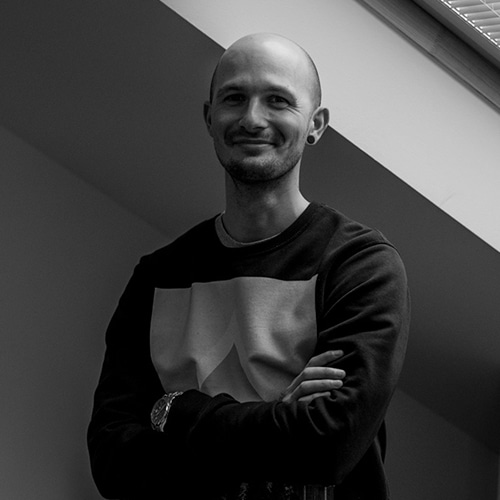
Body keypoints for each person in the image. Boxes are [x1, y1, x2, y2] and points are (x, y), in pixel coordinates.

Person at [88, 33, 410, 500]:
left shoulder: (359, 265)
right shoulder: (158, 277)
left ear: (315, 124)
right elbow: (113, 463)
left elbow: (328, 448)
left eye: (278, 100)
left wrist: (175, 410)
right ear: (210, 117)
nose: (252, 118)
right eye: (234, 98)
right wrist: (279, 420)